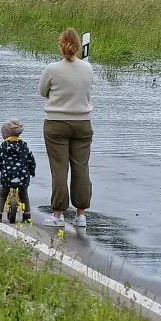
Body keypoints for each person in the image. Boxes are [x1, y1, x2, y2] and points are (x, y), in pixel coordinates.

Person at [39, 27, 94, 229]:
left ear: (61, 46)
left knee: (59, 169)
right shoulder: (88, 68)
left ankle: (59, 214)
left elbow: (42, 92)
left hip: (56, 123)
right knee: (81, 167)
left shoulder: (52, 69)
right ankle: (81, 215)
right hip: (83, 123)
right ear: (79, 47)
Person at [0, 118, 35, 224]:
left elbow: (0, 159)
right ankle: (27, 215)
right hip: (22, 177)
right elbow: (31, 160)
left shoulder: (3, 146)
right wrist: (32, 171)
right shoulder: (24, 146)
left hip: (7, 176)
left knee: (2, 195)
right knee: (24, 195)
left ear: (4, 134)